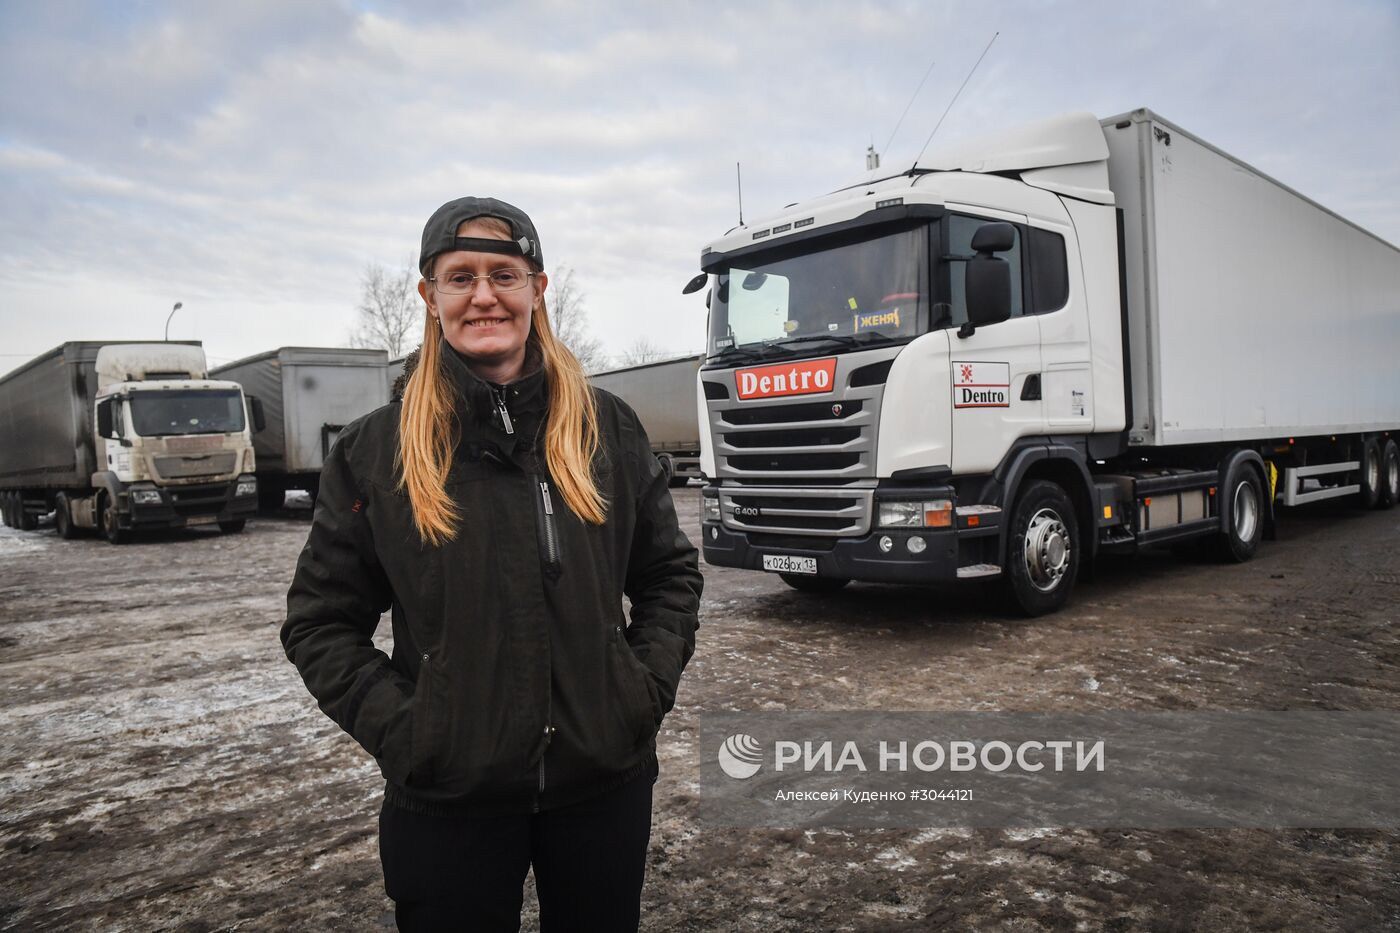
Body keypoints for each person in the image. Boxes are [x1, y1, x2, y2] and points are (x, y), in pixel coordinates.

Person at [281, 196, 703, 931]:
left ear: (538, 290)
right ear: (429, 295)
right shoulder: (375, 451)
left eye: (504, 274)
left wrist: (636, 693)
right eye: (460, 276)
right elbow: (319, 622)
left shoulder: (609, 428)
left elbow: (669, 576)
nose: (484, 295)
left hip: (602, 787)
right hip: (448, 806)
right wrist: (414, 732)